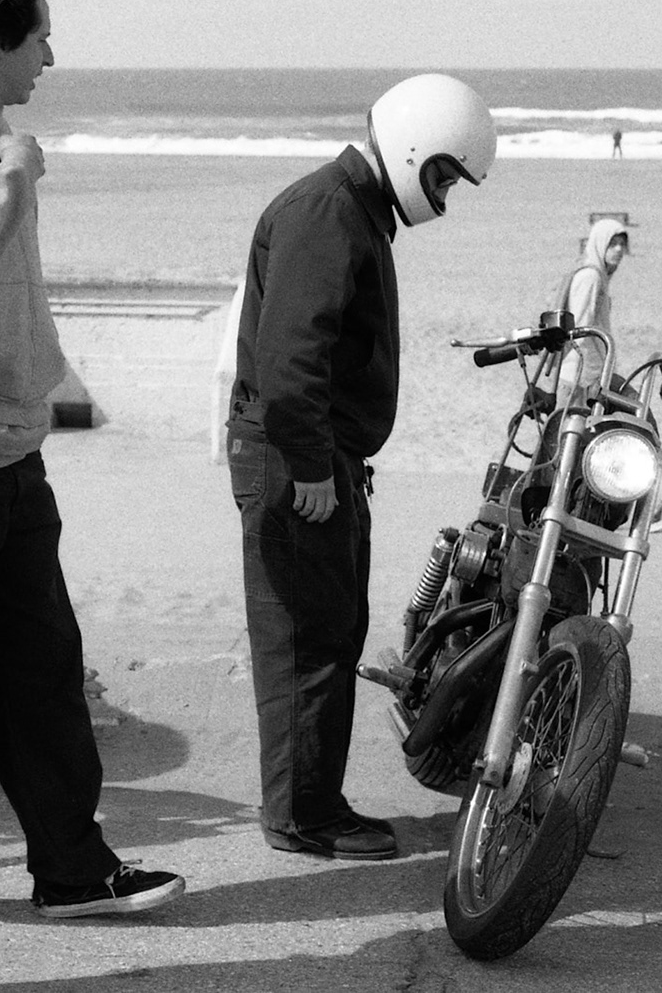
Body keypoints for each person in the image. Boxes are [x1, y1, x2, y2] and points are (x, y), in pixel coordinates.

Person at [0, 0, 183, 918]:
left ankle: (74, 871)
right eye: (39, 34)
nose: (50, 53)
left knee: (43, 677)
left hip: (16, 451)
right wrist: (11, 178)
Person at [226, 73, 498, 861]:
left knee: (331, 630)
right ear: (415, 147)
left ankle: (309, 801)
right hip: (296, 459)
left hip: (316, 456)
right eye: (444, 175)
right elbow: (290, 359)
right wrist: (313, 465)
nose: (443, 194)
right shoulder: (327, 212)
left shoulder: (352, 210)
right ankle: (303, 815)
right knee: (307, 639)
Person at [546, 214, 662, 530]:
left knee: (623, 435)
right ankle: (646, 511)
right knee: (630, 433)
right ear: (599, 243)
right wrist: (597, 378)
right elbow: (581, 331)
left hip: (591, 375)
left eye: (621, 244)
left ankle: (646, 508)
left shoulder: (595, 275)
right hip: (583, 379)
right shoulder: (590, 277)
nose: (618, 251)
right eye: (612, 243)